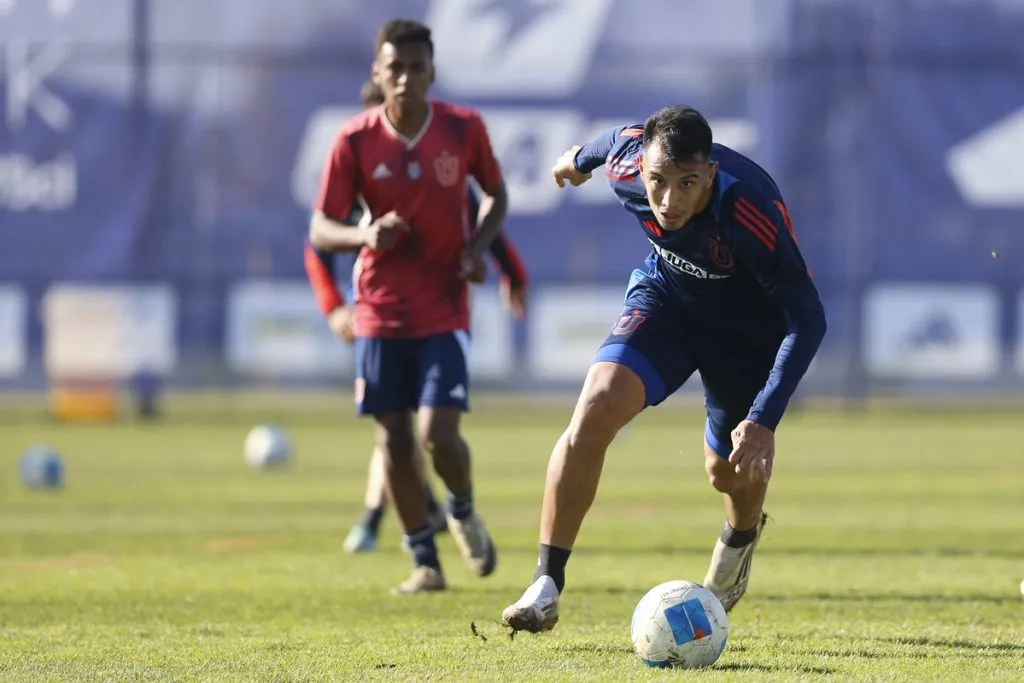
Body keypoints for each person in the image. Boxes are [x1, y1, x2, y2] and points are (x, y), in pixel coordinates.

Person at [499, 105, 827, 632]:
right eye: (659, 182)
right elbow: (615, 139)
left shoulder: (749, 210)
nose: (669, 200)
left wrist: (763, 421)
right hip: (667, 301)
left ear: (711, 174)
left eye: (687, 183)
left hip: (746, 333)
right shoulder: (629, 164)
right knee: (594, 409)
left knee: (727, 472)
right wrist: (576, 161)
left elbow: (808, 318)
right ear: (643, 169)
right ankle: (546, 583)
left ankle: (740, 537)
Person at [308, 19, 509, 594]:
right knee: (393, 439)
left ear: (432, 73)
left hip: (443, 308)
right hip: (378, 310)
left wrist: (477, 248)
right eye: (394, 68)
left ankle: (463, 510)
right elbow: (322, 227)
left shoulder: (463, 130)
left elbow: (496, 194)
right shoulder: (354, 140)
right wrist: (366, 236)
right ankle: (425, 562)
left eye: (416, 68)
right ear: (378, 72)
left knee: (437, 434)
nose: (405, 78)